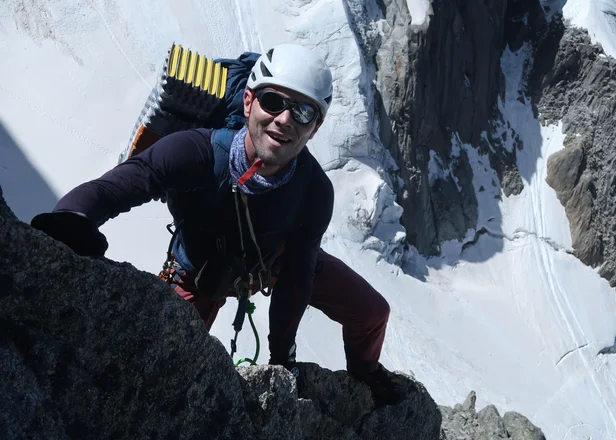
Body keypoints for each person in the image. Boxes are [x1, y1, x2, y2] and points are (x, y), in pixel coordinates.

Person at [31, 44, 403, 405]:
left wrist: (282, 357)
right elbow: (120, 185)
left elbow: (298, 277)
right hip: (200, 271)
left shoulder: (314, 190)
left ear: (315, 127)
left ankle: (365, 372)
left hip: (274, 262)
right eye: (273, 101)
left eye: (303, 111)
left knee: (372, 313)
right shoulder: (197, 151)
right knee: (162, 368)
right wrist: (73, 221)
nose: (285, 120)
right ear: (248, 102)